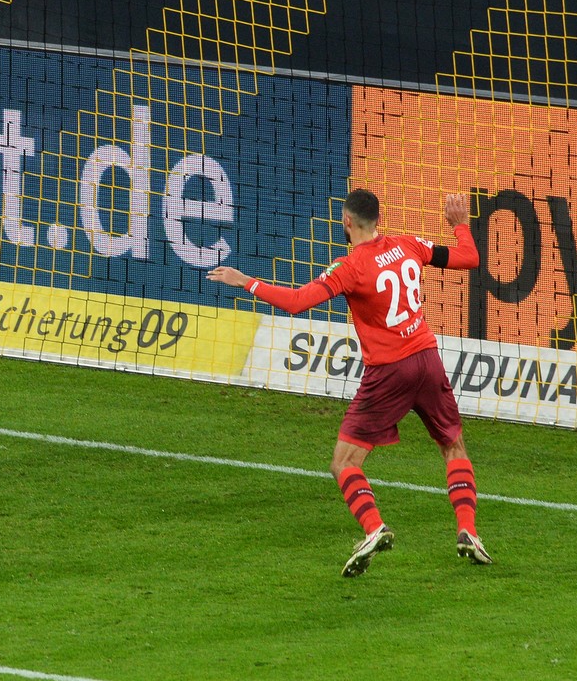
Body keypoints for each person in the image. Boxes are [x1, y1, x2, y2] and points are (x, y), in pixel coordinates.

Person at [207, 189, 488, 577]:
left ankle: (374, 528)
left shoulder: (350, 266)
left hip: (389, 371)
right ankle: (468, 531)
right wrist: (459, 226)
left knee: (344, 462)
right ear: (378, 218)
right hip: (428, 359)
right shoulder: (409, 245)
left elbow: (297, 302)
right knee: (452, 444)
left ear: (346, 223)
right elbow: (469, 258)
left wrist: (246, 282)